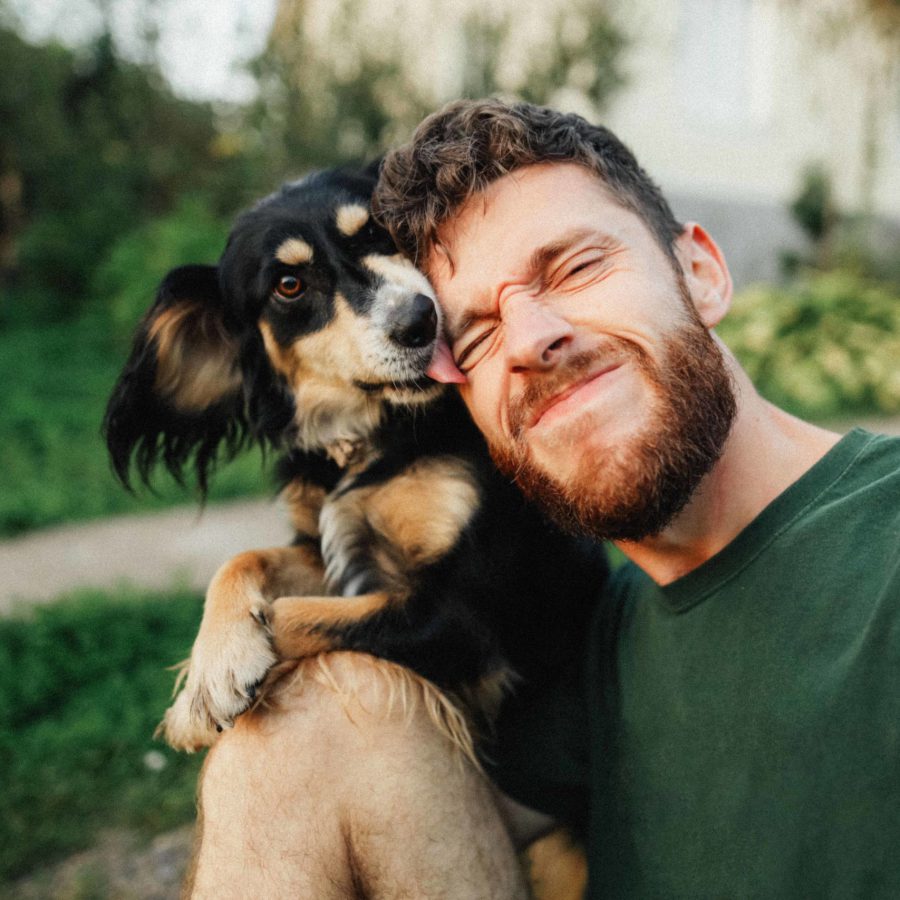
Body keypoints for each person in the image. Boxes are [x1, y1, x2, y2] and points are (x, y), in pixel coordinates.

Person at [187, 99, 900, 898]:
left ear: (700, 271)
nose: (529, 340)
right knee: (274, 745)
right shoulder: (601, 636)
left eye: (573, 267)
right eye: (477, 333)